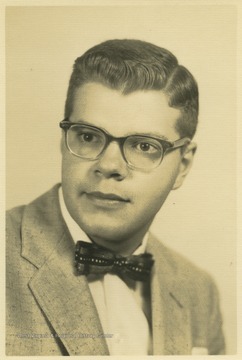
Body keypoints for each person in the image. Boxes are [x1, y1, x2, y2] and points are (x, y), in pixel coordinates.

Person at [6, 39, 225, 356]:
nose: (108, 166)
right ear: (63, 139)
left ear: (183, 165)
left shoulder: (199, 291)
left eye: (144, 146)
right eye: (88, 136)